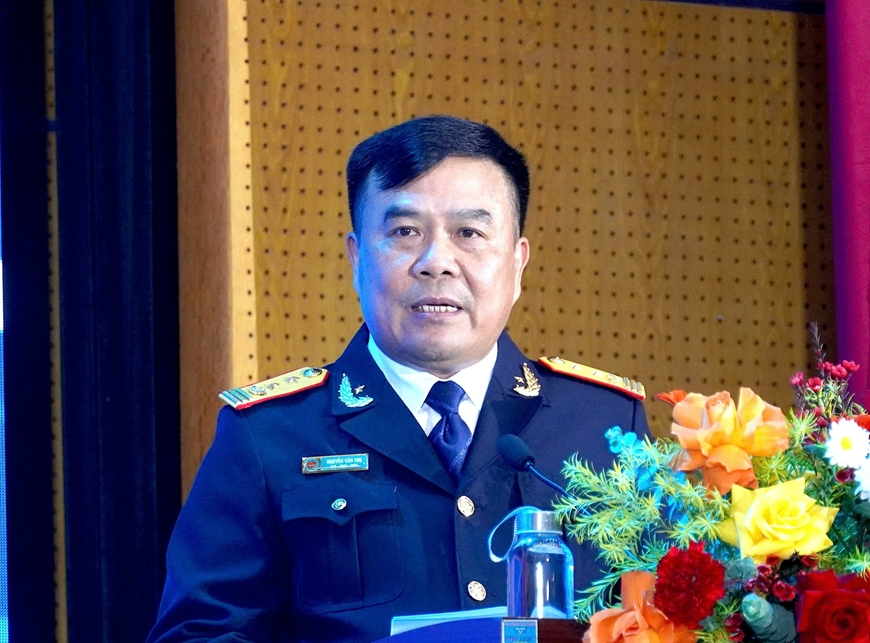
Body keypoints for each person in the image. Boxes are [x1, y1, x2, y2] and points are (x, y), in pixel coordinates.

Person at [147, 115, 649, 643]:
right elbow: (197, 634)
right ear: (356, 256)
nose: (437, 263)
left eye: (469, 233)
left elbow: (671, 617)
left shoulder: (605, 423)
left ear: (517, 262)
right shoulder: (269, 435)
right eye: (405, 232)